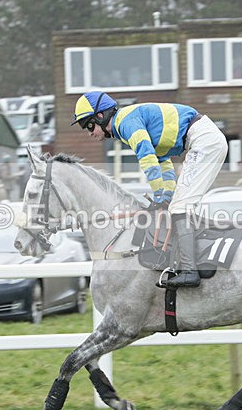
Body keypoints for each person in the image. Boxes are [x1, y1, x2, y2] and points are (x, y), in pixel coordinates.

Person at [73, 91, 227, 288]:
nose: (89, 133)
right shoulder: (127, 126)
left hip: (204, 141)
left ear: (100, 116)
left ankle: (190, 270)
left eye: (88, 125)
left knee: (180, 208)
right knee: (177, 205)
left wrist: (159, 195)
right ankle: (192, 259)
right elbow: (164, 163)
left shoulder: (125, 122)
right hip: (203, 139)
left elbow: (147, 159)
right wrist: (166, 197)